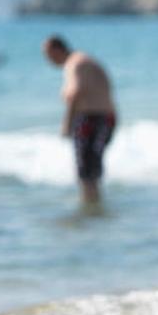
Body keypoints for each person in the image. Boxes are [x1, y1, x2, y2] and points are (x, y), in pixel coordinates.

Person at [43, 35, 117, 206]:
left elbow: (74, 92)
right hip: (107, 117)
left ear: (56, 50)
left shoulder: (74, 63)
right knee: (93, 169)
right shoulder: (86, 60)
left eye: (47, 54)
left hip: (90, 118)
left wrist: (67, 123)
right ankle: (95, 207)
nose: (47, 60)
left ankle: (89, 209)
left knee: (85, 172)